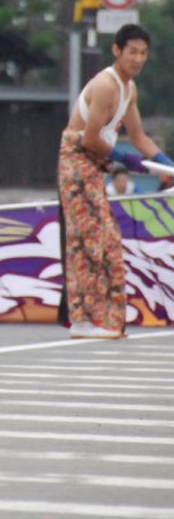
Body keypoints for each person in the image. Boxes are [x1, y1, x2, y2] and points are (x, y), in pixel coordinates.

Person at [58, 23, 174, 340]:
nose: (138, 59)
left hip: (96, 163)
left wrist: (165, 164)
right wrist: (126, 159)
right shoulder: (106, 85)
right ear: (116, 51)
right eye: (132, 52)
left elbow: (138, 137)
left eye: (143, 53)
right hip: (77, 163)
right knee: (90, 240)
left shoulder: (129, 89)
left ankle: (102, 320)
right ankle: (83, 321)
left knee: (107, 240)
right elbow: (91, 138)